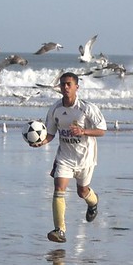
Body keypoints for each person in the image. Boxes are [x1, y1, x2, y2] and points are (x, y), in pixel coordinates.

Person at [34, 72, 107, 243]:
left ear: (76, 87)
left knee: (82, 192)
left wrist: (83, 131)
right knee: (59, 188)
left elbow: (102, 130)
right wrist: (41, 142)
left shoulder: (87, 108)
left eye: (69, 84)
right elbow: (50, 133)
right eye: (62, 84)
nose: (65, 87)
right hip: (65, 157)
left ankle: (93, 203)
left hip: (85, 157)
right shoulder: (55, 109)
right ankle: (60, 230)